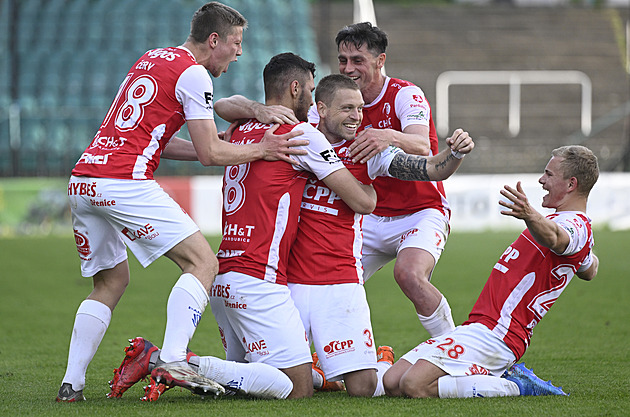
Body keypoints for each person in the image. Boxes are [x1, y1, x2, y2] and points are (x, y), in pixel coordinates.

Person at [58, 2, 307, 402]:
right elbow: (211, 155)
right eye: (236, 43)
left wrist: (217, 143)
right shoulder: (194, 73)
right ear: (214, 40)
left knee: (110, 282)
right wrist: (262, 148)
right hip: (124, 180)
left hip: (85, 179)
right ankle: (173, 357)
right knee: (203, 262)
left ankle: (72, 385)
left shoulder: (152, 58)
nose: (239, 52)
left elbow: (156, 137)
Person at [192, 52, 376, 400]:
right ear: (295, 89)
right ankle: (176, 362)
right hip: (259, 278)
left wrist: (254, 108)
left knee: (247, 383)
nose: (312, 96)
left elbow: (224, 104)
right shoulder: (299, 134)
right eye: (309, 88)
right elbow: (362, 203)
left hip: (223, 276)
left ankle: (192, 370)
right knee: (296, 389)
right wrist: (372, 183)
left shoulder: (242, 128)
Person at [286, 74, 474, 397]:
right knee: (290, 384)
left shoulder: (368, 152)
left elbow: (429, 169)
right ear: (321, 110)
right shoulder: (297, 141)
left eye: (359, 109)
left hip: (341, 279)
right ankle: (324, 374)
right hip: (295, 281)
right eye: (347, 108)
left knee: (364, 390)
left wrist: (454, 154)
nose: (357, 117)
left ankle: (390, 360)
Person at [382, 145, 599, 398]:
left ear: (571, 184)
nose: (541, 180)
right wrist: (586, 258)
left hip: (500, 334)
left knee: (414, 385)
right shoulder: (571, 230)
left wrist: (530, 214)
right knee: (392, 382)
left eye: (549, 174)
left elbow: (557, 238)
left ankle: (516, 385)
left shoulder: (574, 225)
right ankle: (486, 375)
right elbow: (589, 269)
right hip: (478, 326)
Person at [306, 22, 457, 340]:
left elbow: (423, 146)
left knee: (409, 275)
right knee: (327, 285)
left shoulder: (405, 94)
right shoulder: (329, 102)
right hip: (369, 218)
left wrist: (385, 134)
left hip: (420, 210)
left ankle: (454, 351)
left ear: (380, 60)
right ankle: (316, 364)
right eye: (342, 60)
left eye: (357, 60)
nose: (348, 68)